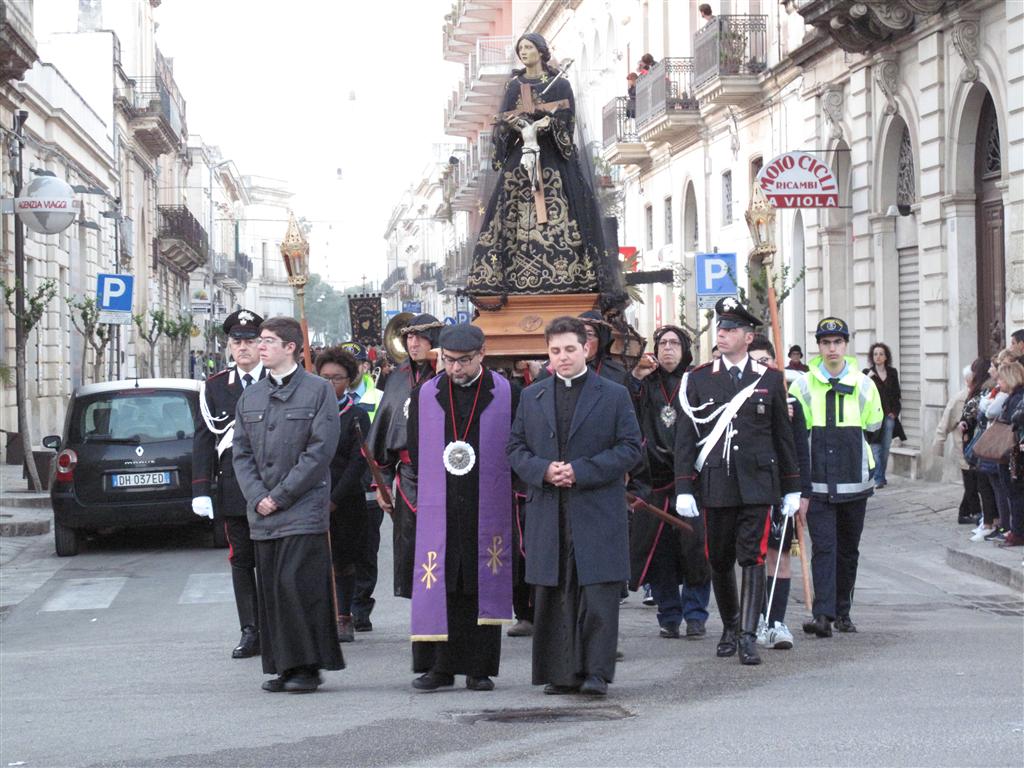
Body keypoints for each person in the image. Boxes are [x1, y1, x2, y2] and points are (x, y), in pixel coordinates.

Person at [508, 316, 642, 696]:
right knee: (556, 594)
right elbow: (515, 448)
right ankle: (561, 673)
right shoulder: (532, 396)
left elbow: (630, 448)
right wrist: (543, 470)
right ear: (547, 354)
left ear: (586, 348)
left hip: (597, 508)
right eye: (555, 351)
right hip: (549, 509)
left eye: (570, 349)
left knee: (597, 594)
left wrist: (580, 471)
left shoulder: (613, 394)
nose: (563, 357)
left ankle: (596, 673)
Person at [674, 297, 800, 666]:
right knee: (719, 558)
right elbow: (686, 437)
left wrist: (793, 486)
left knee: (753, 555)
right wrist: (684, 487)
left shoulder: (769, 379)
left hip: (758, 483)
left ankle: (747, 635)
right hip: (717, 482)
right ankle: (729, 625)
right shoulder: (698, 379)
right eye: (721, 328)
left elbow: (782, 436)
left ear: (748, 337)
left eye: (731, 329)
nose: (723, 334)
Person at [465, 33, 625, 312]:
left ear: (540, 51)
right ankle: (509, 273)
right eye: (520, 49)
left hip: (553, 157)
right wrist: (517, 125)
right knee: (508, 211)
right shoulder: (514, 86)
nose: (523, 52)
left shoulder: (560, 84)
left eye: (528, 47)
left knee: (564, 207)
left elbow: (568, 121)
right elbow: (502, 124)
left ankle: (569, 274)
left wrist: (547, 123)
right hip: (521, 159)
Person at [232, 317, 343, 693]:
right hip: (262, 512)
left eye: (268, 341)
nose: (259, 346)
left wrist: (279, 496)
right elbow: (241, 453)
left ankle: (307, 668)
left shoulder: (317, 390)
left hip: (302, 508)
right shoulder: (251, 396)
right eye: (259, 340)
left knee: (297, 586)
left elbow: (320, 451)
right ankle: (283, 665)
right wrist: (256, 496)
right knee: (273, 592)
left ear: (291, 347)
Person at [405, 324, 519, 691]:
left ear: (482, 354)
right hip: (441, 503)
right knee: (441, 581)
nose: (456, 368)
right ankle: (438, 668)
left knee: (478, 581)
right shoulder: (425, 395)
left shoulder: (507, 393)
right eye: (449, 360)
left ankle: (479, 668)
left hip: (486, 502)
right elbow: (416, 449)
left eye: (464, 361)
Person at [789, 317, 883, 638]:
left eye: (837, 342)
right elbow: (795, 433)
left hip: (854, 481)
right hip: (817, 481)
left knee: (848, 550)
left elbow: (874, 426)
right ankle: (823, 615)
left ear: (846, 345)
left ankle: (843, 612)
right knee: (824, 548)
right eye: (826, 343)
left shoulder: (864, 385)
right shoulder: (802, 385)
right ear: (819, 346)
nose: (832, 349)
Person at [627, 325, 711, 640]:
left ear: (685, 349)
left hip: (692, 479)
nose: (668, 349)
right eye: (663, 343)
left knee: (695, 550)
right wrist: (635, 376)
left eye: (675, 343)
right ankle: (669, 614)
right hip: (654, 480)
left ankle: (696, 615)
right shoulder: (645, 383)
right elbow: (625, 404)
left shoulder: (697, 381)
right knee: (658, 552)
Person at [191, 309, 266, 659]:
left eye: (250, 341)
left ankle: (277, 626)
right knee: (242, 560)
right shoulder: (216, 386)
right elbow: (204, 438)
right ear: (230, 345)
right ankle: (250, 630)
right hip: (234, 486)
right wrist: (200, 489)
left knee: (274, 559)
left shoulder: (278, 378)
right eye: (237, 341)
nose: (243, 347)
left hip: (273, 483)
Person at [362, 314, 444, 630]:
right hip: (409, 478)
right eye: (409, 337)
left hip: (449, 476)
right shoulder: (397, 378)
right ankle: (424, 617)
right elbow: (383, 433)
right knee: (414, 549)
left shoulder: (449, 375)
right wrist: (382, 485)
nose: (413, 343)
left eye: (421, 337)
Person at [747, 338, 811, 651]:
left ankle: (776, 622)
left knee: (781, 555)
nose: (762, 367)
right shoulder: (739, 399)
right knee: (753, 558)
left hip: (782, 488)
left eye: (766, 361)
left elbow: (800, 450)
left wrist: (804, 493)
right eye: (755, 362)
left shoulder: (791, 402)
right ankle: (754, 619)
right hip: (750, 488)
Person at [316, 346, 372, 643]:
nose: (330, 383)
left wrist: (335, 499)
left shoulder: (357, 415)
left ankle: (344, 617)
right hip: (311, 497)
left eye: (336, 378)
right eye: (324, 377)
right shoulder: (308, 413)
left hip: (345, 499)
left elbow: (358, 462)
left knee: (344, 560)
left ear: (348, 380)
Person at [932, 364, 977, 525]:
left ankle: (967, 513)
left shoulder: (979, 395)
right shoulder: (959, 398)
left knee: (974, 482)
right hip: (964, 446)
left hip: (976, 446)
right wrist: (938, 443)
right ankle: (972, 513)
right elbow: (945, 422)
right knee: (971, 482)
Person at [864, 342, 906, 488]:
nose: (878, 357)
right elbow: (862, 394)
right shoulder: (867, 373)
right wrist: (868, 378)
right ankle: (879, 478)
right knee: (875, 448)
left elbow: (897, 395)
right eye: (875, 354)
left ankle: (880, 475)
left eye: (881, 354)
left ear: (886, 357)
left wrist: (894, 413)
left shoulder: (892, 373)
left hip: (888, 416)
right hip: (873, 416)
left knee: (886, 447)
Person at [991, 361, 1024, 547]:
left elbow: (1013, 423)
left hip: (1013, 453)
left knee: (1015, 492)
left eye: (1001, 379)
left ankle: (1018, 532)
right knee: (1013, 492)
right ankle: (1016, 530)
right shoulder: (1013, 397)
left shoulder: (1016, 398)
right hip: (1011, 452)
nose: (998, 382)